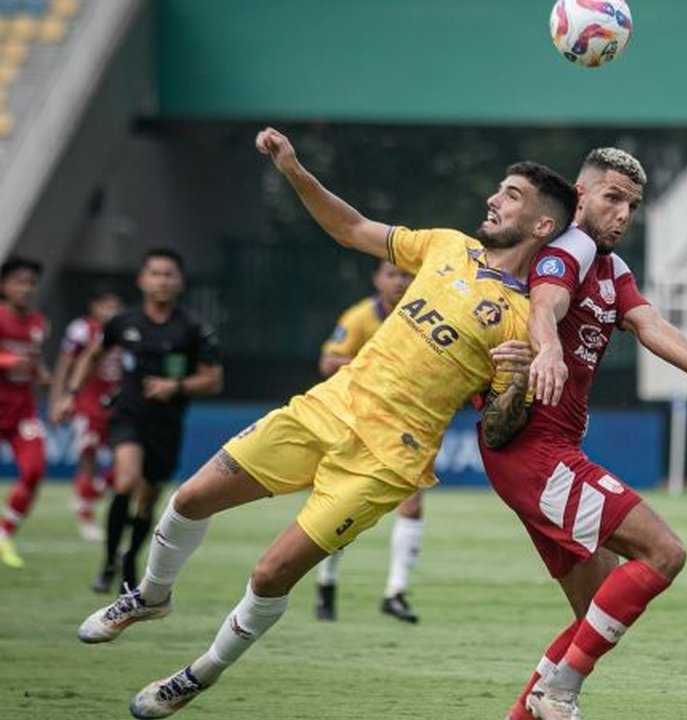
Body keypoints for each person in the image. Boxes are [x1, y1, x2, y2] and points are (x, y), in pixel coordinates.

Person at [75, 127, 578, 720]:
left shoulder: (525, 319)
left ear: (543, 225)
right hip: (326, 409)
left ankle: (197, 674)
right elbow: (350, 228)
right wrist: (292, 169)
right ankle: (151, 596)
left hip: (387, 459)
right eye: (498, 189)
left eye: (512, 194)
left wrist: (517, 380)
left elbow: (496, 430)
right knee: (191, 497)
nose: (494, 199)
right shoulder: (446, 246)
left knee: (270, 573)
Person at [479, 148, 687, 720]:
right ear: (580, 195)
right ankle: (562, 693)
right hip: (537, 452)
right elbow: (545, 305)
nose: (623, 214)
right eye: (612, 198)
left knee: (594, 611)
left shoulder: (610, 268)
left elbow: (649, 325)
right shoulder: (568, 249)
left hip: (544, 454)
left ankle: (529, 711)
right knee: (665, 552)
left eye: (632, 205)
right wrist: (547, 347)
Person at [60, 250, 223, 594]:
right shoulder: (123, 322)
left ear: (179, 282)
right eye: (155, 273)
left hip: (166, 423)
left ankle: (130, 558)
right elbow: (93, 355)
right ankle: (107, 564)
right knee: (125, 481)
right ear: (142, 279)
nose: (162, 280)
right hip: (127, 415)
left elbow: (213, 380)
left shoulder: (192, 328)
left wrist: (175, 386)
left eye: (168, 274)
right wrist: (70, 394)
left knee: (148, 499)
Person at [312, 259, 424, 623]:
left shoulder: (425, 316)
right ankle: (327, 582)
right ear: (377, 279)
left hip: (408, 423)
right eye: (392, 274)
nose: (399, 281)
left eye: (407, 274)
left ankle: (395, 592)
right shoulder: (360, 316)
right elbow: (328, 361)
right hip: (357, 421)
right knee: (344, 509)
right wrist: (371, 366)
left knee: (412, 504)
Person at [50, 286, 123, 542]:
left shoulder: (124, 331)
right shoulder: (81, 329)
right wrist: (58, 399)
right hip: (87, 405)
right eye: (106, 306)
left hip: (116, 405)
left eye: (115, 306)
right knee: (88, 455)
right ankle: (86, 517)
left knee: (124, 466)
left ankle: (89, 494)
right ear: (94, 307)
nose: (111, 312)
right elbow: (65, 365)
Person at [0, 256, 49, 569]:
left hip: (22, 413)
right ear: (5, 286)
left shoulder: (38, 323)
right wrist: (6, 362)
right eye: (19, 281)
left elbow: (33, 359)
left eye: (31, 283)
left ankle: (4, 534)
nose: (26, 289)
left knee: (33, 470)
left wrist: (42, 373)